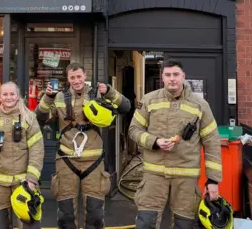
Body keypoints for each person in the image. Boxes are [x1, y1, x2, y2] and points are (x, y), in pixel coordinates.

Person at [128, 58, 222, 229]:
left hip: (185, 178)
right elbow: (134, 130)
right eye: (168, 74)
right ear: (162, 77)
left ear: (183, 76)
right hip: (154, 176)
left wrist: (213, 180)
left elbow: (212, 142)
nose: (172, 78)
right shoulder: (149, 100)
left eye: (176, 74)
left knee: (183, 225)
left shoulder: (200, 105)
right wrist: (154, 142)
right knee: (146, 223)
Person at [35, 63, 131, 229]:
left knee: (95, 214)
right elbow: (41, 118)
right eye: (72, 77)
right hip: (66, 160)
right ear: (68, 79)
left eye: (79, 76)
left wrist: (109, 91)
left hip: (93, 161)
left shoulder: (98, 95)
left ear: (85, 76)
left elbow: (126, 107)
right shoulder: (58, 97)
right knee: (66, 215)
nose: (76, 80)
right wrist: (48, 97)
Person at [0, 81, 45, 229]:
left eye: (12, 94)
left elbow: (37, 150)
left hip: (23, 184)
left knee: (30, 225)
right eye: (5, 94)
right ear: (0, 97)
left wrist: (31, 180)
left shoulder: (29, 117)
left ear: (17, 96)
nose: (9, 97)